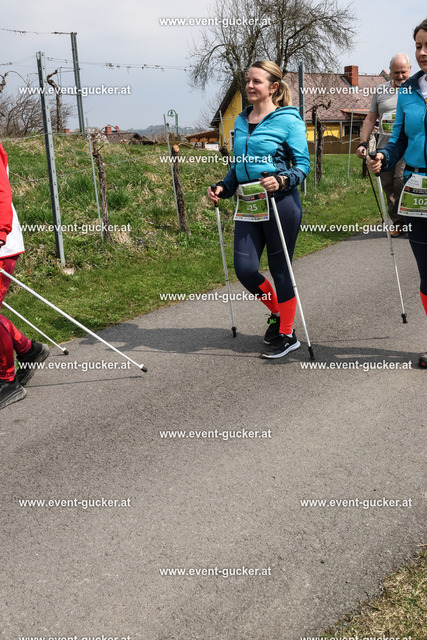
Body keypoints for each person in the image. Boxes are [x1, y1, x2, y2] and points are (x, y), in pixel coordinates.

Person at [208, 60, 310, 359]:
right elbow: (237, 166)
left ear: (273, 87)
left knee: (280, 270)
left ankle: (288, 334)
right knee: (245, 269)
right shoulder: (241, 120)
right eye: (248, 81)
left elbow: (302, 165)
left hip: (281, 204)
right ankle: (277, 313)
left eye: (257, 81)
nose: (250, 86)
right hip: (249, 205)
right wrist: (223, 186)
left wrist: (282, 179)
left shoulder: (289, 120)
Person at [367, 18, 427, 367]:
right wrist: (384, 156)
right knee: (426, 275)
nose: (422, 52)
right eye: (418, 45)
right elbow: (400, 138)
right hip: (418, 189)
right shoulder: (407, 92)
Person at [0, 141, 49, 410]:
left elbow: (1, 192)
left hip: (2, 246)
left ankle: (7, 382)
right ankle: (29, 350)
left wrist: (0, 233)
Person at [356, 53, 412, 236]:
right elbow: (370, 118)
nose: (400, 76)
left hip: (407, 147)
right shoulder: (380, 90)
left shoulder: (416, 90)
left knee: (400, 181)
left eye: (403, 72)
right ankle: (399, 223)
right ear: (390, 72)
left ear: (410, 70)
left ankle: (410, 220)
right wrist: (362, 143)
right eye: (396, 72)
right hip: (384, 147)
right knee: (388, 185)